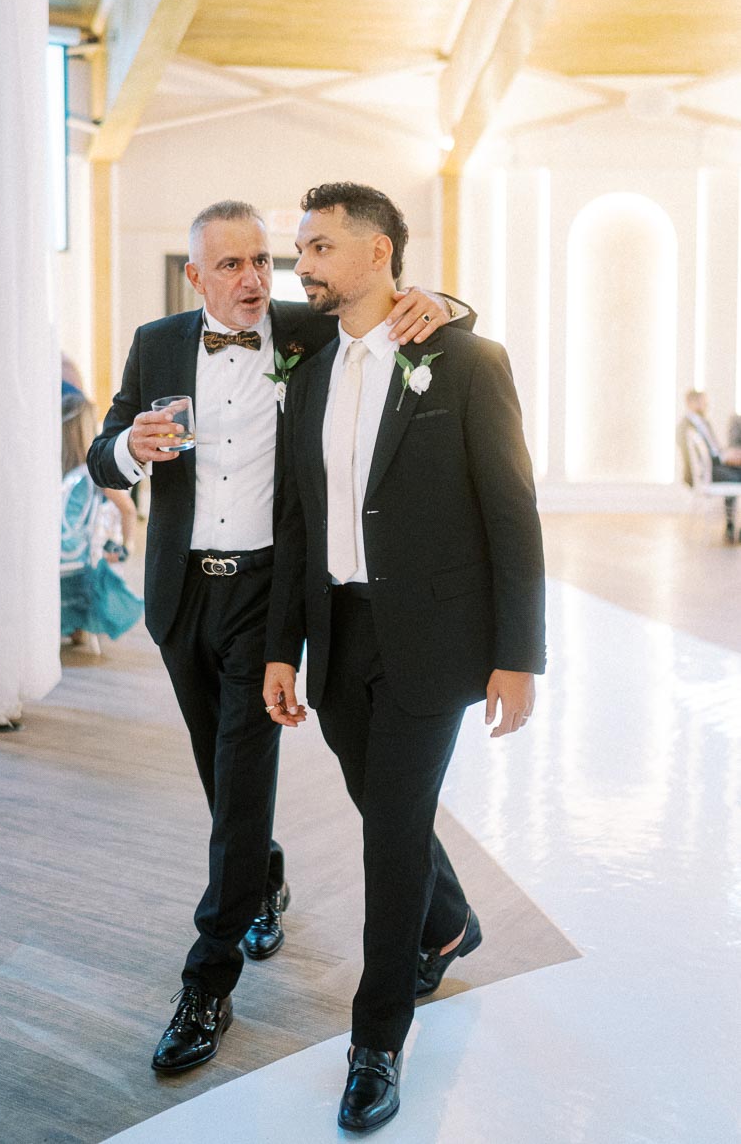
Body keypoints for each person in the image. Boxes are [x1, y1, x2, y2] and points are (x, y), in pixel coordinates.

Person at [87, 198, 475, 1074]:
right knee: (221, 781)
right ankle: (312, 887)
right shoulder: (156, 343)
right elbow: (101, 447)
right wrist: (129, 452)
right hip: (182, 595)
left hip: (271, 597)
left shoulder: (306, 330)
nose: (255, 277)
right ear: (196, 277)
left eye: (263, 259)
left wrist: (448, 303)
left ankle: (208, 982)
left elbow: (396, 308)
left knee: (243, 774)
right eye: (230, 265)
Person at [262, 182, 545, 1134]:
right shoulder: (303, 360)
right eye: (299, 247)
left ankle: (376, 1043)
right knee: (382, 801)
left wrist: (519, 654)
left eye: (320, 247)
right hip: (336, 633)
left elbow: (513, 515)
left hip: (433, 636)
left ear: (379, 253)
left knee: (388, 834)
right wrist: (281, 651)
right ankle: (449, 920)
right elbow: (298, 522)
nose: (302, 263)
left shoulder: (464, 361)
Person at [60, 392, 143, 646]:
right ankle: (77, 625)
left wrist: (123, 548)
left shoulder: (78, 473)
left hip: (72, 548)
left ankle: (74, 624)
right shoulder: (83, 472)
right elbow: (126, 509)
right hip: (76, 550)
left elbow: (126, 510)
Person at [677, 389, 741, 542]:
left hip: (712, 468)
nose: (705, 405)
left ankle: (731, 526)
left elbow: (714, 450)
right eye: (702, 402)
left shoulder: (702, 422)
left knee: (737, 471)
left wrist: (726, 454)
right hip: (705, 474)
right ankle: (732, 526)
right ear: (690, 402)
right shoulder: (685, 427)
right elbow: (704, 459)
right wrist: (724, 458)